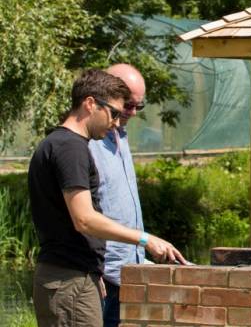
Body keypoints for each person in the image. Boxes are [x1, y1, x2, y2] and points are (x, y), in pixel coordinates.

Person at [29, 69, 186, 326]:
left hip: (75, 276)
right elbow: (85, 220)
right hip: (69, 283)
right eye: (113, 113)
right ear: (90, 104)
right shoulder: (70, 149)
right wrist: (145, 239)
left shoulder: (58, 143)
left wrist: (92, 268)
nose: (115, 122)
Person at [88, 64, 148, 327]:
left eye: (139, 106)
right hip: (103, 276)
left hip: (130, 272)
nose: (132, 113)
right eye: (127, 105)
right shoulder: (87, 143)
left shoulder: (120, 136)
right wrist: (92, 268)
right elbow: (81, 214)